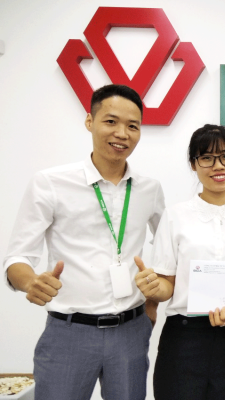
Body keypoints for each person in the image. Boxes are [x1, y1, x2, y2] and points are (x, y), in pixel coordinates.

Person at [3, 84, 164, 400]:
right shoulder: (50, 183)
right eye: (111, 121)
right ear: (89, 121)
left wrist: (153, 302)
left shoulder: (150, 189)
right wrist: (31, 282)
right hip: (68, 332)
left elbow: (171, 250)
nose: (122, 133)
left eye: (133, 126)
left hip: (131, 331)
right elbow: (17, 257)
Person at [134, 124, 225, 400]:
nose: (218, 166)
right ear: (193, 164)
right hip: (184, 337)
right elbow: (167, 284)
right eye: (207, 158)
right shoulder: (175, 216)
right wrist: (153, 288)